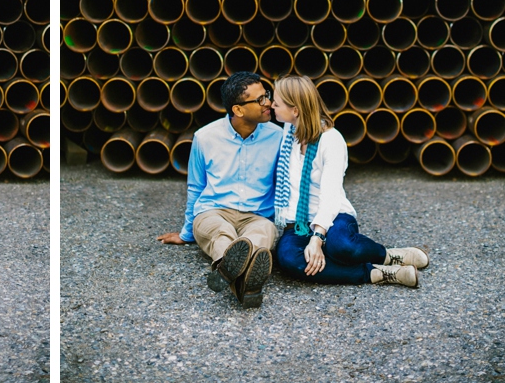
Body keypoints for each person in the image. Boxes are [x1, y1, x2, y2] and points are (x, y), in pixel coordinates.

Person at [271, 75, 429, 288]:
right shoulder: (289, 133)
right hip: (298, 224)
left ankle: (388, 255)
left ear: (295, 110)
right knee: (289, 260)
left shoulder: (331, 140)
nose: (271, 105)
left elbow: (331, 196)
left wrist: (317, 238)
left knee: (342, 247)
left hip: (334, 216)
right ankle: (376, 273)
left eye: (276, 102)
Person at [158, 71, 284, 308]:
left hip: (257, 216)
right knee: (220, 232)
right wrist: (187, 233)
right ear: (238, 110)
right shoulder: (205, 137)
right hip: (213, 212)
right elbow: (195, 187)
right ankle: (247, 282)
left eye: (266, 95)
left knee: (263, 232)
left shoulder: (278, 137)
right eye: (260, 100)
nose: (268, 103)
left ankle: (232, 274)